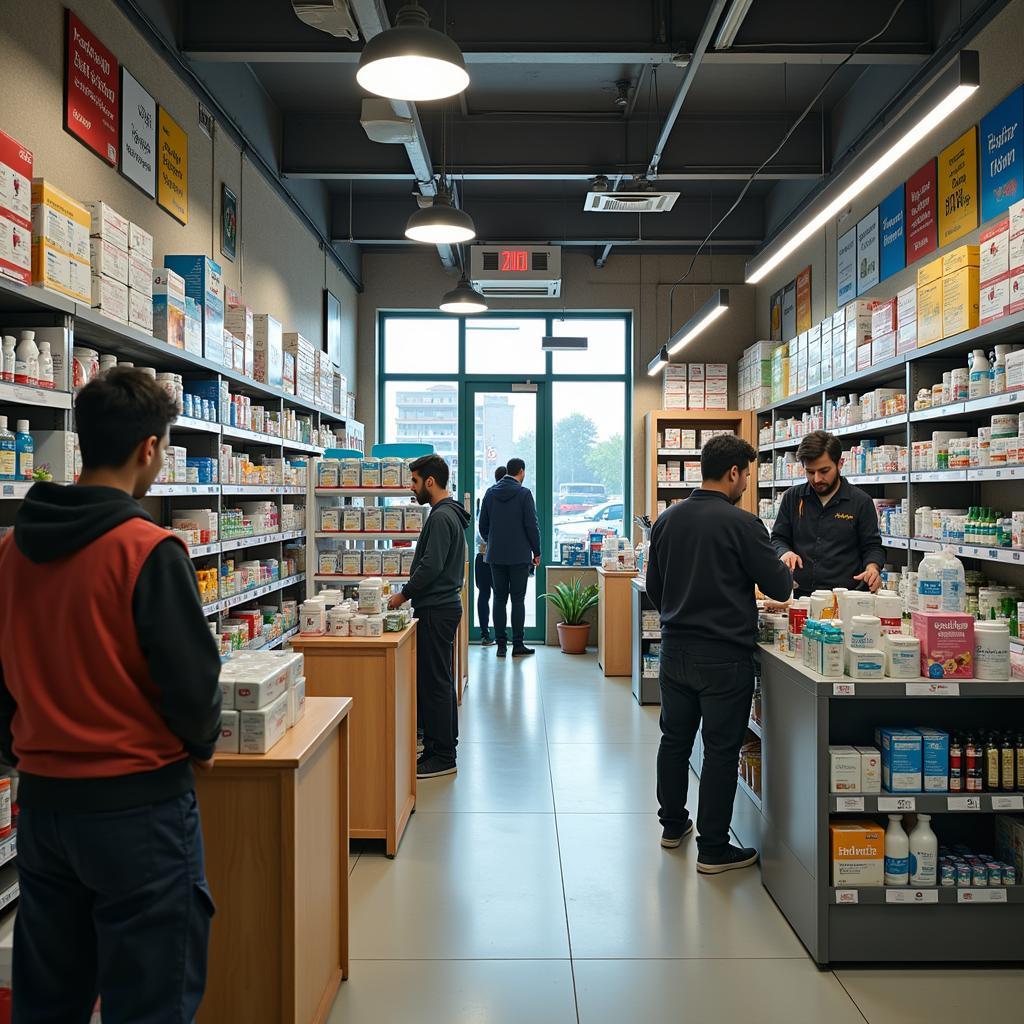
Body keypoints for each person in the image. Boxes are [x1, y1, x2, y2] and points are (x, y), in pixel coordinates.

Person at [0, 367, 223, 1021]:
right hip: (138, 811)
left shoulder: (12, 551)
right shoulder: (147, 550)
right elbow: (191, 682)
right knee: (150, 998)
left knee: (52, 996)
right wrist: (201, 744)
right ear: (148, 449)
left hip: (43, 809)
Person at [646, 434, 792, 874]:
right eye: (746, 474)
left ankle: (673, 826)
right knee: (720, 750)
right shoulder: (742, 524)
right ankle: (713, 848)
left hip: (674, 651)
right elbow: (780, 588)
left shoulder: (667, 520)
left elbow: (656, 588)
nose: (746, 482)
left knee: (674, 740)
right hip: (724, 657)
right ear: (733, 472)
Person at [388, 454, 469, 779]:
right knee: (441, 680)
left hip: (436, 608)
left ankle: (443, 755)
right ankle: (440, 745)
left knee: (434, 682)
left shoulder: (439, 518)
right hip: (443, 606)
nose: (412, 488)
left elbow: (431, 566)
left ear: (430, 482)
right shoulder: (449, 514)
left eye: (415, 481)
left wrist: (403, 594)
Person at [770, 430, 885, 597]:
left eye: (824, 471)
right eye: (810, 472)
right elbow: (778, 538)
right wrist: (784, 552)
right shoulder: (793, 498)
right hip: (799, 595)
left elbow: (872, 546)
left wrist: (872, 568)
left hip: (845, 597)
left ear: (840, 463)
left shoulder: (860, 501)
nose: (817, 479)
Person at [478, 456, 542, 658]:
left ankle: (500, 646)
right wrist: (536, 551)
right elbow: (532, 525)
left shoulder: (490, 493)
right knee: (518, 600)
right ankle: (518, 645)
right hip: (519, 556)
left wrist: (493, 540)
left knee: (498, 599)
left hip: (495, 555)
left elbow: (482, 525)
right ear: (521, 471)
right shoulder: (524, 494)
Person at [475, 465, 507, 646]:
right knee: (499, 596)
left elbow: (480, 529)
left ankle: (485, 634)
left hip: (482, 554)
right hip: (497, 557)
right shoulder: (501, 499)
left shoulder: (487, 497)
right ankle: (499, 635)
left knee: (484, 594)